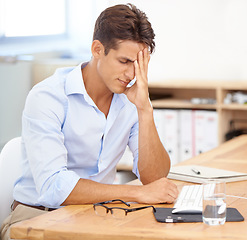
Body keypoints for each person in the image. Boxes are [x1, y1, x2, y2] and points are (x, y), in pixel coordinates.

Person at [1, 4, 178, 239]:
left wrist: (145, 110)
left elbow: (155, 180)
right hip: (36, 218)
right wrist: (136, 193)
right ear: (97, 49)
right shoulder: (48, 96)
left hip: (96, 216)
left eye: (137, 65)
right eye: (124, 61)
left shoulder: (131, 102)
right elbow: (54, 187)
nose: (131, 75)